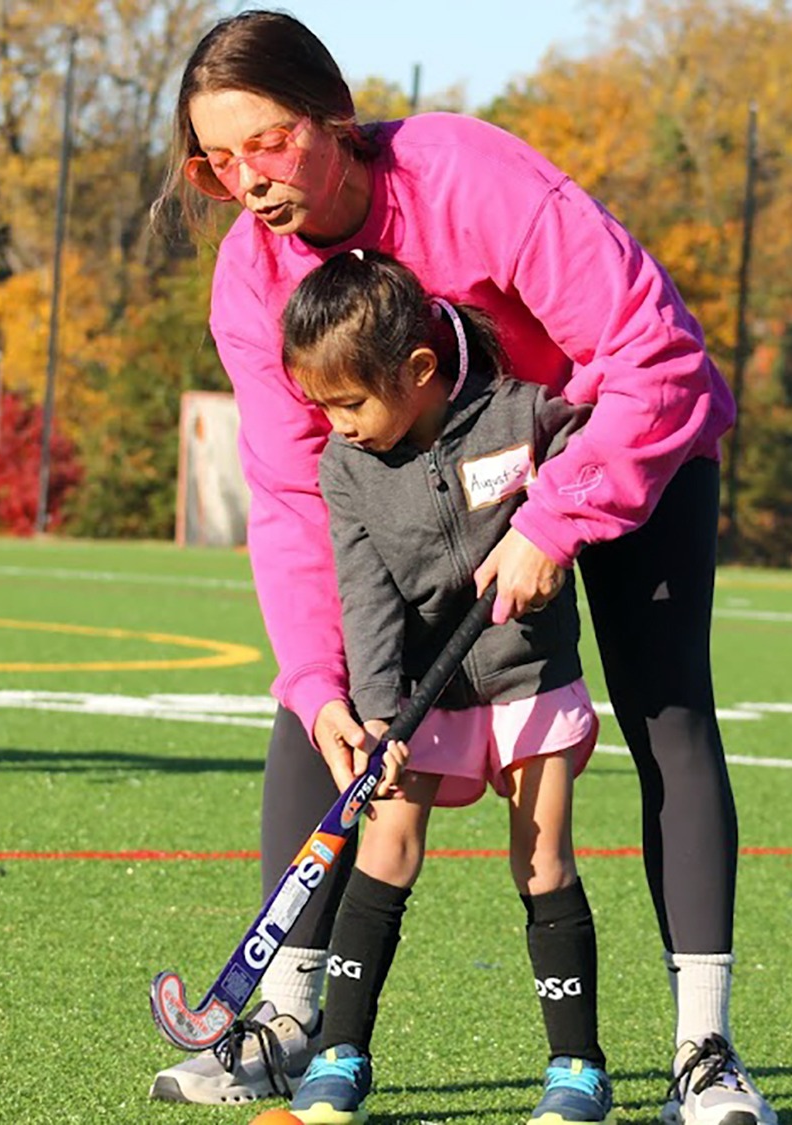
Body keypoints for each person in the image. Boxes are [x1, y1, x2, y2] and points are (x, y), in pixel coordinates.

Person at [148, 12, 775, 1125]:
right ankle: (286, 1024)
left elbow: (654, 360)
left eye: (271, 142)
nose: (247, 180)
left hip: (620, 447)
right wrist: (314, 678)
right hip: (416, 491)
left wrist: (558, 516)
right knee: (321, 706)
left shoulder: (463, 174)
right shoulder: (251, 281)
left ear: (334, 119)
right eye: (218, 160)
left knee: (665, 703)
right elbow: (296, 500)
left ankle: (705, 1056)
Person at [272, 250, 609, 1125]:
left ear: (418, 372)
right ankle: (340, 1051)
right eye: (323, 406)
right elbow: (365, 598)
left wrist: (549, 525)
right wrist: (379, 713)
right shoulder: (346, 470)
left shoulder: (517, 414)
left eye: (350, 402)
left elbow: (591, 442)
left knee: (542, 857)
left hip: (529, 674)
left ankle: (576, 1067)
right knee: (385, 849)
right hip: (423, 687)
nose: (338, 424)